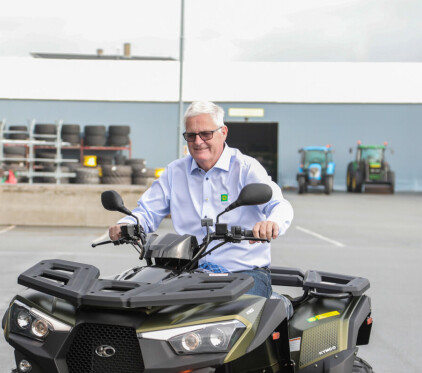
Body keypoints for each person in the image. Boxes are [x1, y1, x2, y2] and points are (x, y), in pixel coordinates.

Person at [109, 101, 293, 298]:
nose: (198, 142)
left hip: (244, 274)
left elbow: (279, 205)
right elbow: (147, 211)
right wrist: (127, 224)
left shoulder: (245, 168)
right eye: (191, 135)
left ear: (223, 132)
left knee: (229, 318)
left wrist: (272, 223)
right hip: (188, 272)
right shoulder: (175, 172)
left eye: (206, 134)